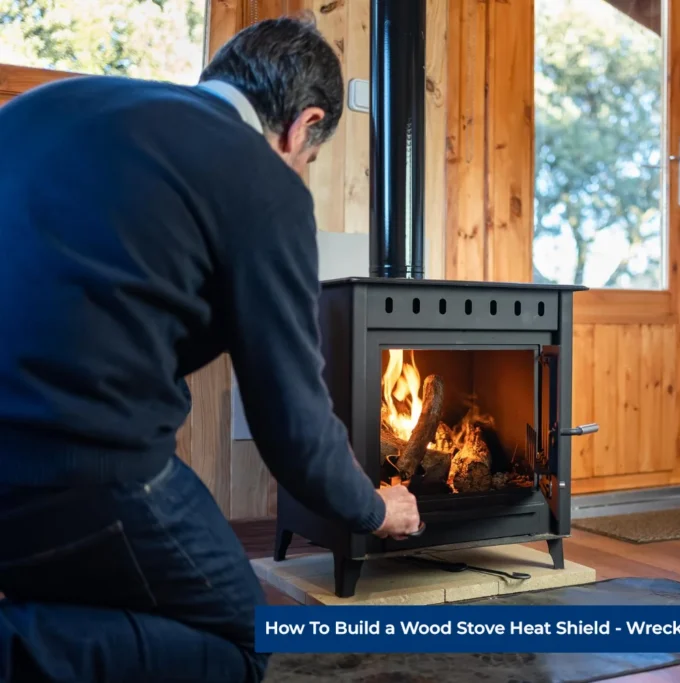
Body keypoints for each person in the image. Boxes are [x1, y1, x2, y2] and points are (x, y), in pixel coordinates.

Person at [0, 15, 420, 683]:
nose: (302, 174)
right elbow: (294, 426)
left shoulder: (52, 104)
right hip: (76, 463)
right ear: (302, 125)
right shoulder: (264, 181)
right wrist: (376, 508)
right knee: (241, 639)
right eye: (311, 159)